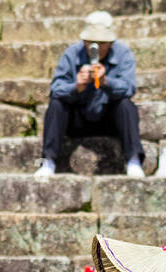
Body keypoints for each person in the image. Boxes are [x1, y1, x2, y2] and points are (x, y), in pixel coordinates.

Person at [36, 11, 144, 179]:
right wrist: (76, 86)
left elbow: (129, 89)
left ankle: (134, 160)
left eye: (101, 43)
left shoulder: (123, 54)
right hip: (78, 117)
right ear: (84, 41)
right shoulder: (71, 53)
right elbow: (56, 89)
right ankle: (48, 161)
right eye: (91, 43)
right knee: (57, 104)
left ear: (110, 42)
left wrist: (106, 82)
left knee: (126, 106)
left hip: (109, 119)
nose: (96, 47)